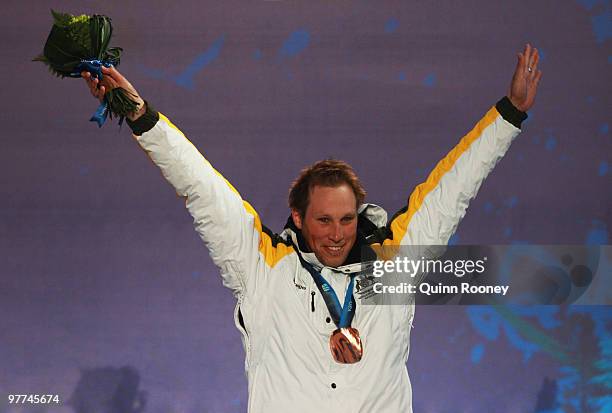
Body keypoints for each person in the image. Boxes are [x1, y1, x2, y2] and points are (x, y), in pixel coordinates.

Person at [82, 44, 542, 412]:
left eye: (346, 219)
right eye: (323, 220)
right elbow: (200, 186)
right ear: (299, 218)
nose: (337, 233)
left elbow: (453, 188)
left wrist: (510, 114)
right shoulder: (262, 267)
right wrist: (141, 116)